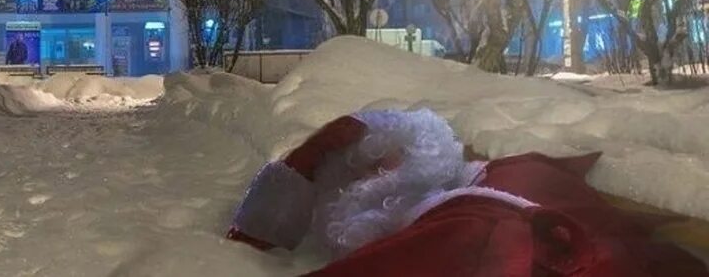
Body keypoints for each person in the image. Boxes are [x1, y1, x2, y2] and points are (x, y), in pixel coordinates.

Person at [225, 108, 707, 276]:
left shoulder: (466, 225)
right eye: (353, 178)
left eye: (378, 163)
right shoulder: (501, 179)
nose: (370, 180)